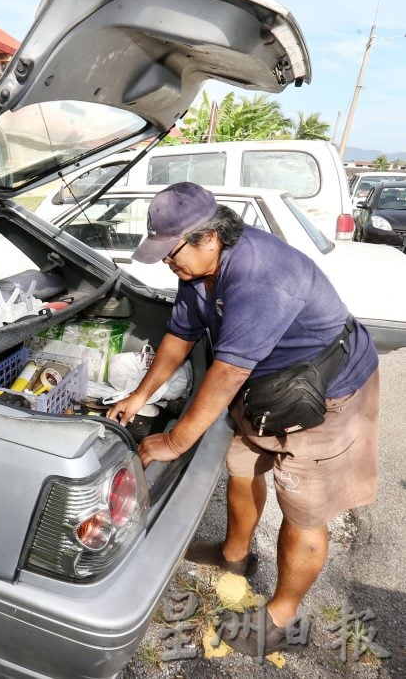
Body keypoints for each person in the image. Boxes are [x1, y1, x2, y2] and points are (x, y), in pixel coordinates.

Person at [106, 182, 379, 657]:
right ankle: (235, 557)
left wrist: (174, 442)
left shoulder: (258, 275)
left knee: (302, 509)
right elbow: (180, 335)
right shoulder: (196, 272)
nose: (169, 265)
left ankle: (280, 618)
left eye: (172, 255)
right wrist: (139, 395)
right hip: (266, 389)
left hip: (326, 394)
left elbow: (229, 372)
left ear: (208, 237)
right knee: (241, 467)